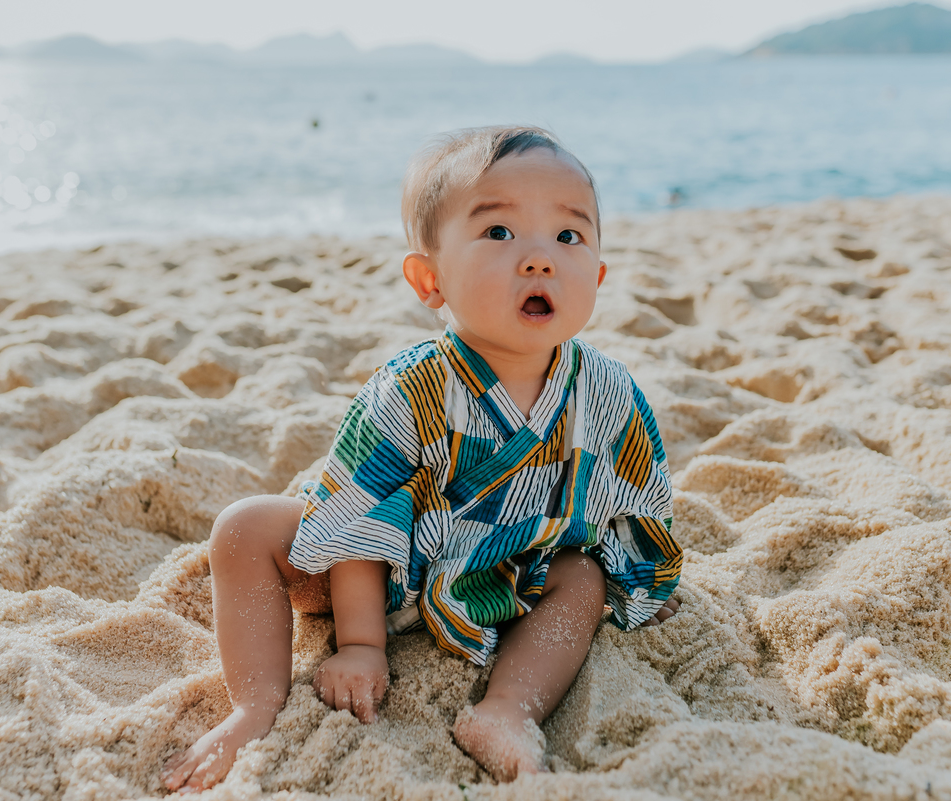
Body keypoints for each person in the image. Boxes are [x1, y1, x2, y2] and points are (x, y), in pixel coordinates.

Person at [161, 125, 683, 793]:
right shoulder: (412, 387)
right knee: (244, 527)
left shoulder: (607, 389)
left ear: (599, 274)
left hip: (507, 570)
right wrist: (360, 644)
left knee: (581, 580)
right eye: (499, 233)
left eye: (569, 236)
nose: (539, 258)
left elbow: (634, 491)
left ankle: (507, 708)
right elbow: (360, 514)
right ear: (429, 278)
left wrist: (638, 575)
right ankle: (254, 703)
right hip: (385, 570)